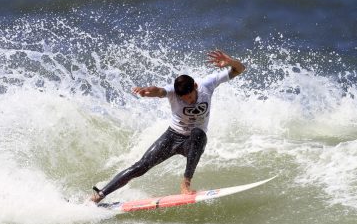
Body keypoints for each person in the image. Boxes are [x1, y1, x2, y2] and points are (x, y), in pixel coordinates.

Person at [91, 50, 245, 204]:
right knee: (141, 166)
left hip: (193, 141)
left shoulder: (207, 84)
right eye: (184, 99)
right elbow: (159, 91)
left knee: (197, 133)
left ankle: (185, 183)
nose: (189, 102)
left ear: (195, 86)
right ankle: (100, 195)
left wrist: (230, 62)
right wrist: (147, 91)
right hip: (172, 136)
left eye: (191, 97)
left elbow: (240, 69)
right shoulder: (173, 92)